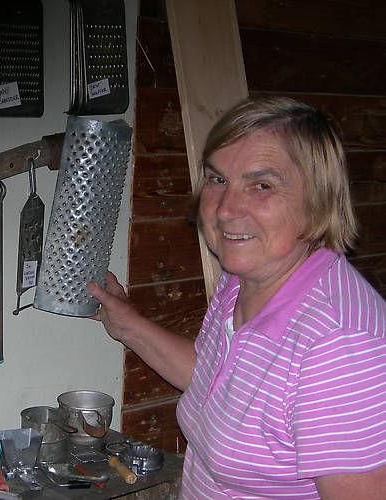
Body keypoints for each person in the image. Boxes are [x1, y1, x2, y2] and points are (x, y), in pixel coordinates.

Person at [88, 96, 386, 499]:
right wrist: (128, 325)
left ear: (319, 199)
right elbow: (221, 386)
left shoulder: (339, 347)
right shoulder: (243, 279)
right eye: (217, 179)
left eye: (261, 185)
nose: (226, 209)